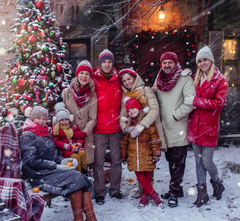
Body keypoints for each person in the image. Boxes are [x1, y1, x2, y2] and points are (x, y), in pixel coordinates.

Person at [20, 106, 108, 221]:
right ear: (32, 119)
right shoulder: (28, 135)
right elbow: (30, 161)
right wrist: (55, 166)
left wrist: (63, 161)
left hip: (51, 170)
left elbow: (55, 154)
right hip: (38, 174)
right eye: (38, 118)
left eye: (44, 118)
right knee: (77, 178)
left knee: (78, 178)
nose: (42, 121)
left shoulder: (45, 133)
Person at [184, 46, 228, 207]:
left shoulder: (220, 80)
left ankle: (217, 183)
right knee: (198, 161)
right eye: (200, 61)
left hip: (209, 128)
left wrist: (196, 101)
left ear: (211, 60)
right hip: (195, 127)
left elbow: (219, 103)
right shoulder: (195, 78)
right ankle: (202, 194)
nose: (202, 63)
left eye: (205, 60)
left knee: (207, 162)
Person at [152, 52, 196, 208]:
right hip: (164, 129)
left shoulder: (185, 80)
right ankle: (178, 189)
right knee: (171, 161)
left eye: (170, 62)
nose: (167, 65)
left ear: (175, 64)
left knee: (178, 162)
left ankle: (173, 193)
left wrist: (175, 116)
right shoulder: (159, 80)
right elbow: (152, 96)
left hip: (178, 127)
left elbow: (191, 102)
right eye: (164, 63)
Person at [118, 68, 166, 199]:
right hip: (133, 136)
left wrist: (141, 125)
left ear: (134, 78)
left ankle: (148, 190)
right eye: (124, 81)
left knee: (148, 162)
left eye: (129, 79)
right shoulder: (125, 97)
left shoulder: (146, 91)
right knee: (138, 162)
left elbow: (154, 110)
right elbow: (122, 115)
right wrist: (126, 128)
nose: (127, 82)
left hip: (148, 131)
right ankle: (143, 189)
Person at [120, 98, 164, 208]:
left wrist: (156, 154)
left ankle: (144, 196)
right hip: (134, 157)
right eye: (129, 110)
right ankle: (154, 196)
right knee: (140, 177)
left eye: (133, 108)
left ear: (139, 109)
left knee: (147, 176)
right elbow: (125, 143)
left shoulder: (147, 123)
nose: (131, 111)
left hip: (146, 155)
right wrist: (124, 156)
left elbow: (154, 140)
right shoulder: (128, 126)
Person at [93, 49, 124, 205]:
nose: (106, 64)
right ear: (100, 63)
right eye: (104, 62)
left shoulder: (119, 79)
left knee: (116, 160)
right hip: (99, 128)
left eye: (109, 61)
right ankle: (99, 191)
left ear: (113, 63)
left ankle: (115, 189)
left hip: (116, 128)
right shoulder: (93, 80)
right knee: (98, 161)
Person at [62, 60, 97, 174]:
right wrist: (69, 130)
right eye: (81, 73)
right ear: (77, 75)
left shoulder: (92, 95)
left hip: (86, 138)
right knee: (72, 167)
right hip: (69, 137)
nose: (84, 76)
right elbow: (60, 114)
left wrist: (84, 132)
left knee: (84, 167)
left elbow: (93, 118)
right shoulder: (66, 93)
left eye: (87, 74)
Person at [52, 102, 88, 173]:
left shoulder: (73, 128)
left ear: (69, 119)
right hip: (65, 151)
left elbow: (80, 138)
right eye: (62, 120)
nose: (64, 122)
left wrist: (78, 144)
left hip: (75, 147)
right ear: (58, 121)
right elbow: (56, 142)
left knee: (82, 153)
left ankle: (84, 170)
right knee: (75, 157)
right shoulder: (56, 130)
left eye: (66, 119)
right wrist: (66, 146)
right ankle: (78, 173)